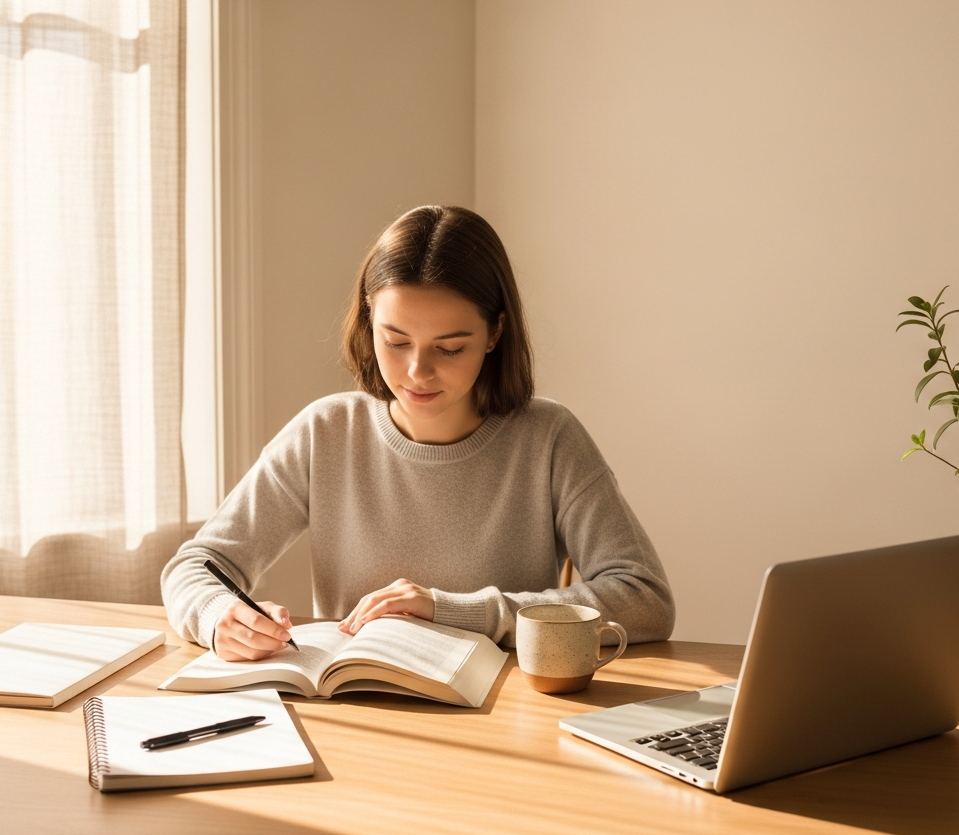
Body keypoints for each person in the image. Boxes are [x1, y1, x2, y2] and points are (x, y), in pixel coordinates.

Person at [162, 205, 674, 661]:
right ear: (369, 320)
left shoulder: (549, 438)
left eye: (449, 348)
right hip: (361, 713)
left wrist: (459, 611)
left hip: (507, 719)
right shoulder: (327, 432)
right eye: (395, 341)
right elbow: (197, 566)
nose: (416, 372)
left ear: (495, 333)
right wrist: (217, 615)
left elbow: (644, 599)